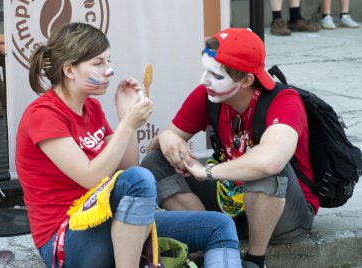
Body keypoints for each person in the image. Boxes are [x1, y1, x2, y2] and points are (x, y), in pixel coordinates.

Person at [16, 22, 242, 268]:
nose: (109, 71)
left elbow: (128, 168)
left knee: (219, 227)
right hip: (65, 240)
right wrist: (126, 125)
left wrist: (127, 120)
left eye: (108, 61)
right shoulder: (43, 114)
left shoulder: (90, 106)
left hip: (110, 222)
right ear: (69, 70)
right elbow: (91, 177)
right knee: (139, 178)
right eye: (98, 63)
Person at [141, 28, 318, 268]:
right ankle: (211, 238)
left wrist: (208, 172)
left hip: (284, 214)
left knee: (263, 166)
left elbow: (271, 161)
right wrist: (167, 138)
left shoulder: (284, 100)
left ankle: (256, 260)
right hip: (231, 200)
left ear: (247, 80)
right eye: (205, 70)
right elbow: (158, 146)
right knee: (155, 162)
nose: (204, 80)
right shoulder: (207, 95)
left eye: (215, 74)